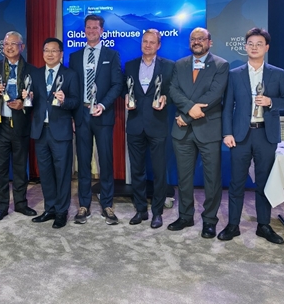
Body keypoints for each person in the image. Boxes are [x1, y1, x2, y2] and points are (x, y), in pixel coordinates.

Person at [218, 28, 284, 244]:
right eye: (250, 43)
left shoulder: (277, 73)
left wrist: (271, 102)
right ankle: (233, 225)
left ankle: (264, 225)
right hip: (240, 136)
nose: (254, 47)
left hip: (265, 135)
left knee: (264, 182)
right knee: (236, 182)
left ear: (266, 48)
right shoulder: (234, 74)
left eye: (259, 44)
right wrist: (227, 132)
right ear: (245, 47)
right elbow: (227, 107)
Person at [168, 27, 229, 238]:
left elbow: (214, 95)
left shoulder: (221, 65)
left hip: (207, 128)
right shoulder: (180, 64)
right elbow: (173, 90)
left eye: (201, 38)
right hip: (182, 132)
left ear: (209, 42)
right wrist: (189, 110)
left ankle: (210, 220)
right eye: (193, 39)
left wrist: (186, 116)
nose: (196, 42)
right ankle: (185, 216)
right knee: (184, 178)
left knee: (212, 178)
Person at [69, 15, 123, 225]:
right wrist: (73, 115)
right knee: (83, 162)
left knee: (105, 161)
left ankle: (107, 204)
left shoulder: (112, 54)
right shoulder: (75, 57)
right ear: (84, 30)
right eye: (88, 27)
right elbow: (72, 88)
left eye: (95, 28)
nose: (91, 31)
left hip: (103, 114)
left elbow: (117, 85)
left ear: (102, 31)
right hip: (81, 114)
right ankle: (84, 205)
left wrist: (103, 104)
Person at [0, 31, 36, 221]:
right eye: (6, 44)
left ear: (22, 47)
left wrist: (24, 103)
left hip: (20, 125)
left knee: (20, 167)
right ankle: (1, 206)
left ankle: (21, 203)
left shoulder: (31, 70)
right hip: (0, 125)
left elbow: (36, 97)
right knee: (0, 168)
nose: (9, 47)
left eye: (13, 44)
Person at [24, 38, 79, 229]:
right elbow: (32, 103)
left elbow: (75, 102)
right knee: (45, 174)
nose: (50, 54)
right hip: (40, 131)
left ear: (61, 54)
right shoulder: (35, 74)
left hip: (61, 132)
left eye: (54, 50)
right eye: (46, 50)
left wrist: (64, 100)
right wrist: (27, 98)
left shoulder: (70, 75)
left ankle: (62, 212)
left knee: (62, 174)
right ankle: (50, 208)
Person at [124, 29, 174, 229]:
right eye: (145, 41)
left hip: (157, 125)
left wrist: (166, 98)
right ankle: (140, 210)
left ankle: (157, 212)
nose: (147, 45)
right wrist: (125, 97)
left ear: (158, 45)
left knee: (160, 171)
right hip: (135, 124)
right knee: (137, 170)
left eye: (152, 42)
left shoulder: (169, 66)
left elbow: (174, 91)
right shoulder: (130, 65)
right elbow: (125, 89)